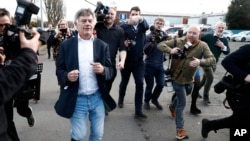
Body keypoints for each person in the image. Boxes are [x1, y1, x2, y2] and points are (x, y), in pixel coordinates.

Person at [54, 8, 113, 141]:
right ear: (76, 24)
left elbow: (111, 70)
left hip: (97, 98)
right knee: (79, 135)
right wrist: (67, 76)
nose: (87, 23)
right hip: (77, 98)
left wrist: (103, 70)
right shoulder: (66, 45)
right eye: (83, 21)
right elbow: (59, 71)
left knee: (98, 134)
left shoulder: (102, 46)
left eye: (90, 21)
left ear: (94, 23)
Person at [157, 24, 216, 140]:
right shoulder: (178, 41)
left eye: (194, 33)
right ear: (186, 32)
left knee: (185, 94)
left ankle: (172, 107)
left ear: (199, 34)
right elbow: (160, 45)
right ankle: (180, 130)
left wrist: (200, 61)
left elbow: (212, 60)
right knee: (182, 104)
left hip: (190, 80)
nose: (191, 35)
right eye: (189, 32)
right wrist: (171, 50)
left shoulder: (203, 45)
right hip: (177, 79)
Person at [0, 8, 36, 141]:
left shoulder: (19, 35)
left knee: (21, 108)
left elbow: (40, 37)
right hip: (5, 83)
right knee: (7, 120)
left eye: (6, 25)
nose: (3, 28)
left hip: (21, 82)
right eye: (0, 25)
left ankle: (27, 112)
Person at [201, 44, 250, 140]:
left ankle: (209, 125)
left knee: (241, 120)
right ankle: (210, 125)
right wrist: (245, 76)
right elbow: (227, 62)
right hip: (239, 95)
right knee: (241, 122)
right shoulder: (248, 49)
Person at [118, 6, 149, 119]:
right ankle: (121, 98)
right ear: (129, 15)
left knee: (140, 83)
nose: (135, 16)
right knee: (124, 82)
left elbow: (147, 26)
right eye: (133, 14)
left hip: (139, 61)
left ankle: (138, 110)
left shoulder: (142, 26)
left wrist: (140, 19)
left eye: (137, 14)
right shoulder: (123, 27)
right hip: (126, 60)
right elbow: (120, 41)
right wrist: (124, 43)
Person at [95, 7, 126, 95]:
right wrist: (98, 13)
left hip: (110, 66)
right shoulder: (97, 27)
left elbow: (122, 48)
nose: (109, 15)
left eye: (112, 14)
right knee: (96, 90)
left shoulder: (120, 30)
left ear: (115, 16)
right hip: (96, 63)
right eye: (107, 13)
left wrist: (122, 61)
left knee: (106, 91)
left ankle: (103, 106)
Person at [199, 21, 230, 105]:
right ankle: (206, 96)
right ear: (215, 28)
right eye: (219, 27)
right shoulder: (208, 36)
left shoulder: (224, 39)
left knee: (204, 80)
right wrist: (199, 33)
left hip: (214, 63)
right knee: (210, 78)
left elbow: (227, 52)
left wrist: (222, 46)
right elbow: (198, 39)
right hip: (205, 61)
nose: (220, 29)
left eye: (222, 28)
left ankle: (196, 90)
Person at [143, 17, 168, 110]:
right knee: (149, 85)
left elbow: (169, 47)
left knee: (161, 84)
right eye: (158, 23)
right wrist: (151, 42)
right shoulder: (148, 36)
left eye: (161, 23)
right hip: (149, 64)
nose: (159, 25)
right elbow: (145, 51)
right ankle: (146, 101)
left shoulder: (165, 35)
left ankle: (154, 99)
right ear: (154, 24)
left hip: (160, 65)